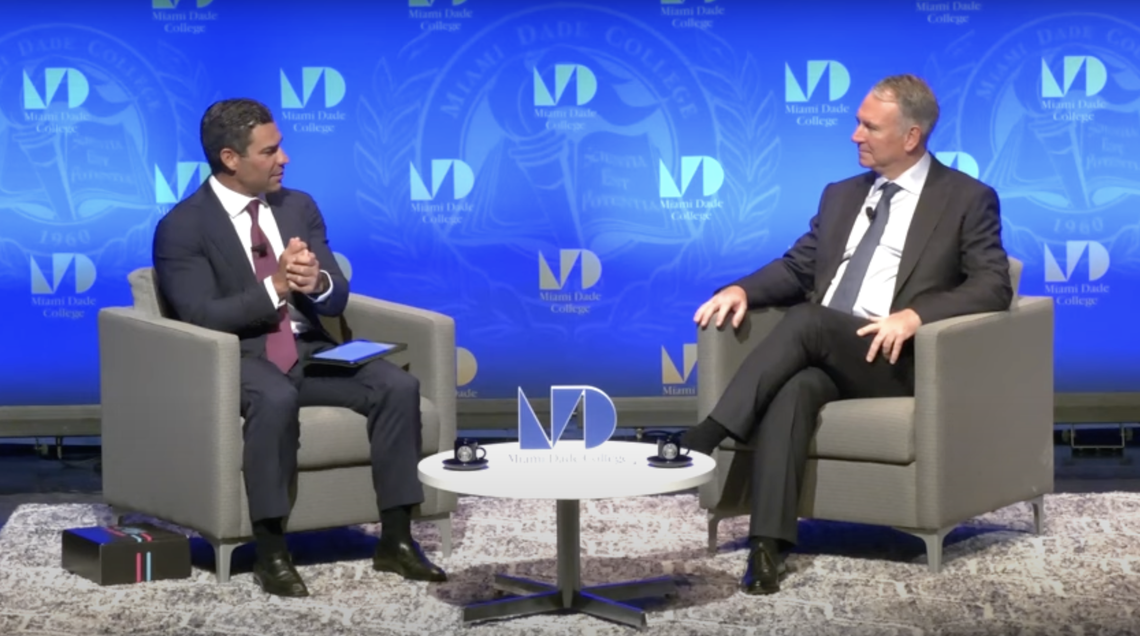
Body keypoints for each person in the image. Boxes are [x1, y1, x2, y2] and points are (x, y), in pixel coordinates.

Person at [686, 75, 1012, 595]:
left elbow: (993, 285)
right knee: (792, 391)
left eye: (868, 126)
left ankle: (708, 435)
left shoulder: (966, 198)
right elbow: (798, 268)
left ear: (911, 136)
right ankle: (767, 549)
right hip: (827, 352)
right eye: (858, 122)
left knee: (810, 319)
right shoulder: (841, 195)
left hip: (895, 357)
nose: (854, 135)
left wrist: (916, 317)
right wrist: (742, 289)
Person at [152, 98, 446, 597]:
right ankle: (271, 553)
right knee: (276, 398)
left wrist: (315, 282)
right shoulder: (183, 226)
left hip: (307, 349)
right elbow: (200, 315)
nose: (284, 159)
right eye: (270, 151)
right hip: (236, 357)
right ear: (230, 158)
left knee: (397, 385)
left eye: (281, 146)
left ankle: (396, 542)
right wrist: (277, 288)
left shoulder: (297, 206)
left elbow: (336, 299)